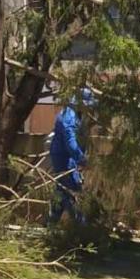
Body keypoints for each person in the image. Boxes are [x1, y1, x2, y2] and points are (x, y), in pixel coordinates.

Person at [48, 89, 91, 224]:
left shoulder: (76, 115)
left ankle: (52, 224)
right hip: (65, 158)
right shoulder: (69, 117)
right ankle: (81, 227)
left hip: (66, 156)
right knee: (72, 189)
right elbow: (70, 142)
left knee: (61, 191)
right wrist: (81, 158)